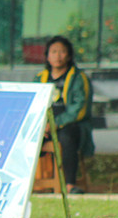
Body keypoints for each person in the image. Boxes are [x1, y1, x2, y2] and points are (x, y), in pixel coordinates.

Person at [35, 35, 94, 194]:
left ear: (69, 55)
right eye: (53, 52)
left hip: (71, 124)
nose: (58, 56)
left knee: (67, 139)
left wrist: (56, 123)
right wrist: (42, 125)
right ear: (47, 55)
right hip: (45, 125)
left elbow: (79, 109)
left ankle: (69, 185)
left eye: (62, 52)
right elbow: (33, 105)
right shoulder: (40, 79)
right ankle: (30, 184)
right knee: (28, 138)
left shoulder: (78, 78)